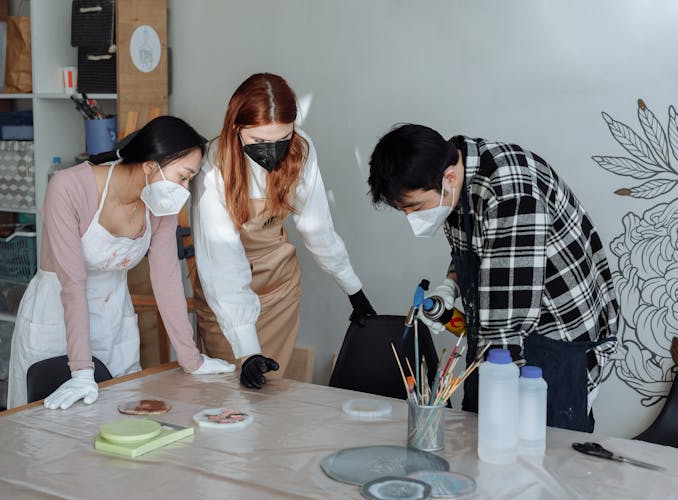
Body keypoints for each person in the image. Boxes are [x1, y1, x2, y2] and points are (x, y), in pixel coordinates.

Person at [367, 124, 619, 432]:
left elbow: (508, 321)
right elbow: (476, 252)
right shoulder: (456, 180)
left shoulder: (510, 194)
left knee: (543, 460)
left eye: (416, 208)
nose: (412, 219)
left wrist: (494, 407)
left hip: (556, 345)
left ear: (448, 179)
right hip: (502, 336)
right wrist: (450, 287)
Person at [7, 116, 234, 410]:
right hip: (56, 318)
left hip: (114, 320)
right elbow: (72, 283)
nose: (185, 188)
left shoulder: (159, 202)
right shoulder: (69, 187)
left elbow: (167, 280)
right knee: (51, 436)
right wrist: (81, 371)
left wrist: (191, 359)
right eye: (183, 176)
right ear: (151, 165)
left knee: (118, 424)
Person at [191, 73, 376, 389]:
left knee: (274, 393)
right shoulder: (213, 164)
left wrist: (354, 290)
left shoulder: (300, 149)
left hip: (279, 289)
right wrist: (247, 350)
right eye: (260, 142)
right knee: (230, 396)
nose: (272, 151)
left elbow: (318, 227)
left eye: (282, 138)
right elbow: (222, 263)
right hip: (227, 299)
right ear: (236, 128)